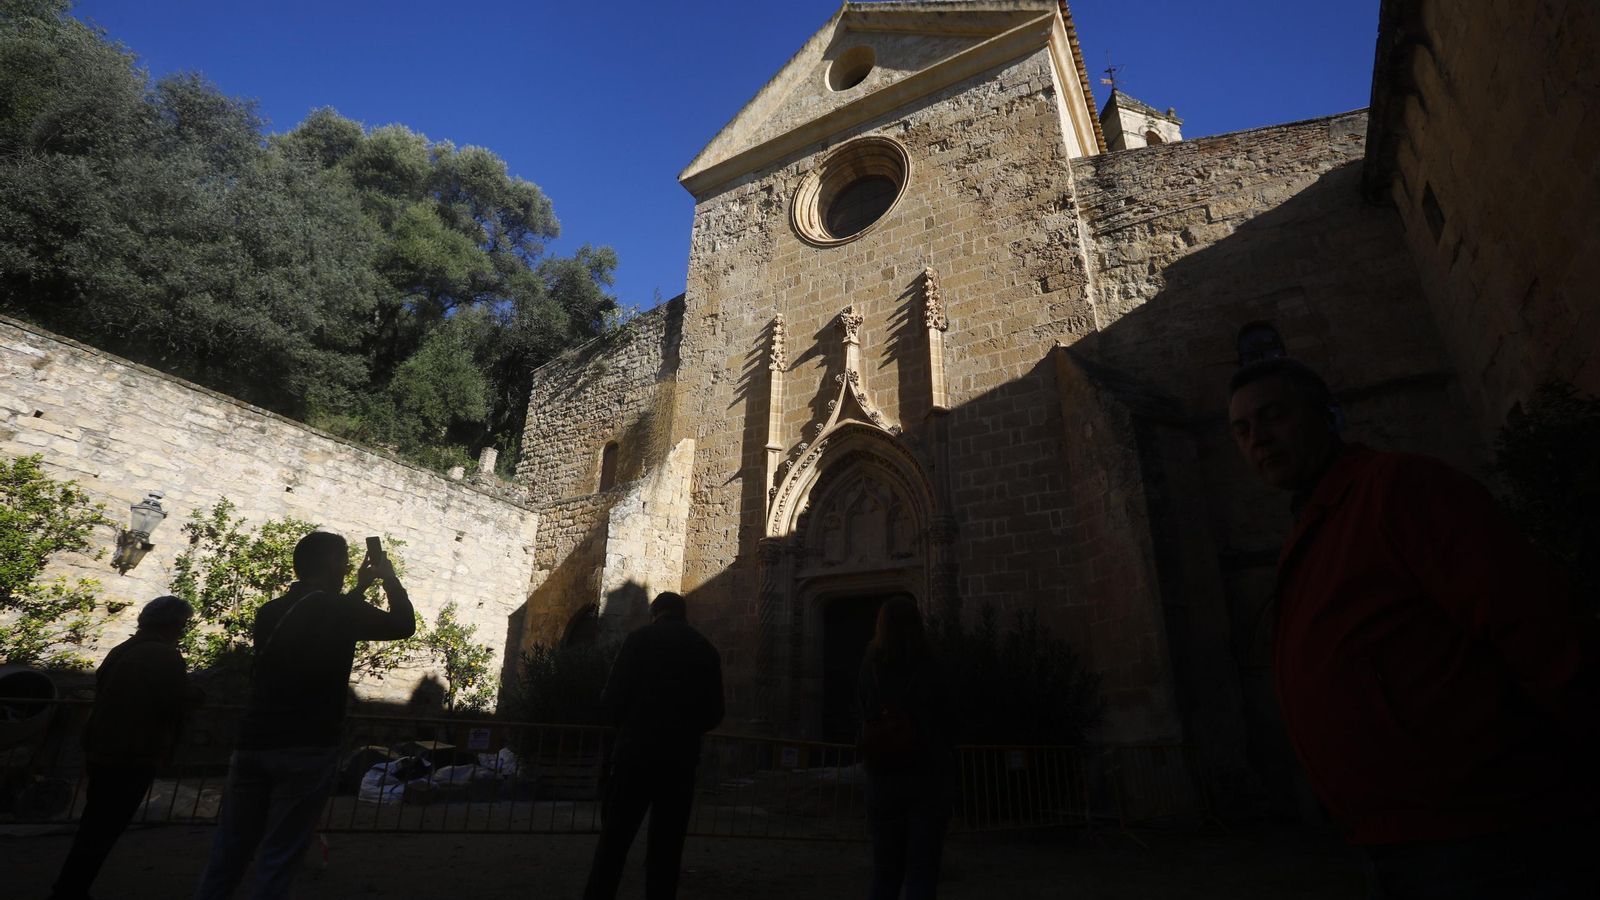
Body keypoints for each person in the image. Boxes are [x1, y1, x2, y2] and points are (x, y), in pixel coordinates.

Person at [1227, 357, 1600, 898]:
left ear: (1325, 415)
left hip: (1484, 833)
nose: (1258, 439)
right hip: (1403, 837)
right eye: (1242, 430)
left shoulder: (1398, 489)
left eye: (1274, 416)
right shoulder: (1317, 522)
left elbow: (1535, 626)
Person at [193, 531, 414, 900]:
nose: (346, 566)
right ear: (331, 563)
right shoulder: (339, 611)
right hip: (306, 744)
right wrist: (387, 578)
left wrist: (357, 591)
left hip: (253, 741)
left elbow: (328, 621)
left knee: (229, 851)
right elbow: (402, 624)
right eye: (343, 559)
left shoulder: (270, 612)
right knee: (279, 855)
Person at [48, 596, 200, 900]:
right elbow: (173, 701)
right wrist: (197, 695)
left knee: (95, 823)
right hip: (133, 752)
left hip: (103, 747)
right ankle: (70, 889)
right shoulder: (163, 655)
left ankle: (71, 886)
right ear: (175, 624)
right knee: (105, 827)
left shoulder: (122, 650)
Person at [583, 591, 724, 900]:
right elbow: (715, 713)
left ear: (655, 611)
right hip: (680, 760)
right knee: (668, 847)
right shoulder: (705, 649)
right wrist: (686, 730)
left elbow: (612, 699)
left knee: (615, 841)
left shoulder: (639, 640)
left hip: (635, 754)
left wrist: (629, 726)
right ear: (683, 613)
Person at [857, 596, 955, 900]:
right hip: (927, 776)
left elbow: (861, 711)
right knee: (922, 873)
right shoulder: (935, 663)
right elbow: (950, 718)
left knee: (885, 872)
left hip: (883, 775)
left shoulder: (870, 664)